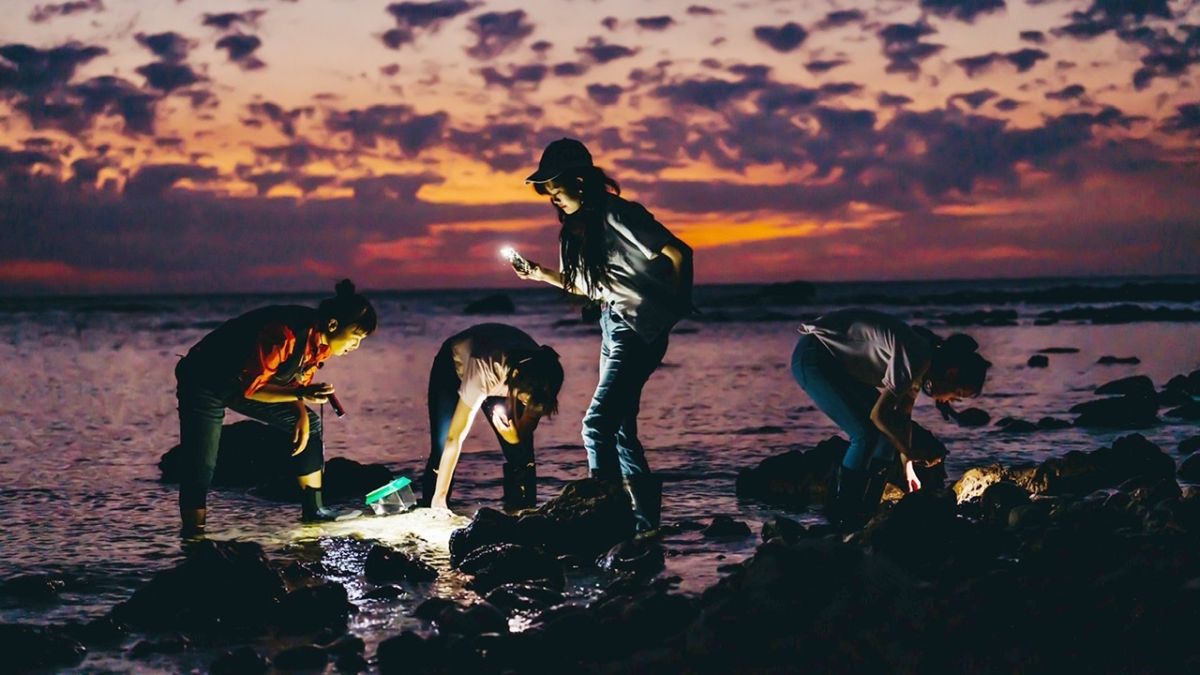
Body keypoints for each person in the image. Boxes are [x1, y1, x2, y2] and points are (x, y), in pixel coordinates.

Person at [513, 138, 694, 532]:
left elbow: (679, 253)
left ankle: (605, 521)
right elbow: (587, 287)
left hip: (638, 328)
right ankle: (646, 526)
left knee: (596, 425)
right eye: (548, 195)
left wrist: (677, 306)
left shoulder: (620, 215)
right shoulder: (577, 231)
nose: (552, 201)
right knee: (621, 429)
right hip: (612, 326)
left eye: (555, 191)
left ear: (579, 182)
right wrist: (539, 272)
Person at [174, 279, 376, 536]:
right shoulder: (285, 334)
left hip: (246, 382)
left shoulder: (322, 343)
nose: (355, 347)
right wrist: (301, 394)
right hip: (205, 379)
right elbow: (254, 389)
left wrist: (300, 410)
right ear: (334, 324)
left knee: (310, 425)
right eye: (355, 338)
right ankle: (193, 534)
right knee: (200, 463)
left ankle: (314, 510)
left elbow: (292, 381)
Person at [791, 308, 990, 528]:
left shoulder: (922, 368)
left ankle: (867, 511)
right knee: (865, 434)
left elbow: (901, 418)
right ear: (951, 374)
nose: (951, 401)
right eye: (958, 395)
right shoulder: (916, 357)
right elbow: (879, 416)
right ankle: (843, 514)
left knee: (885, 436)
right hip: (815, 355)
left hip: (840, 365)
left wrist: (908, 466)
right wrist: (909, 451)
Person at [423, 323, 564, 511]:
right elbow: (454, 438)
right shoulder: (483, 371)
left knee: (521, 453)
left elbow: (527, 425)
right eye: (525, 400)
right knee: (442, 446)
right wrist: (439, 501)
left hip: (512, 374)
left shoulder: (545, 376)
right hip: (453, 367)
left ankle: (521, 512)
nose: (527, 406)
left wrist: (513, 436)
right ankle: (432, 506)